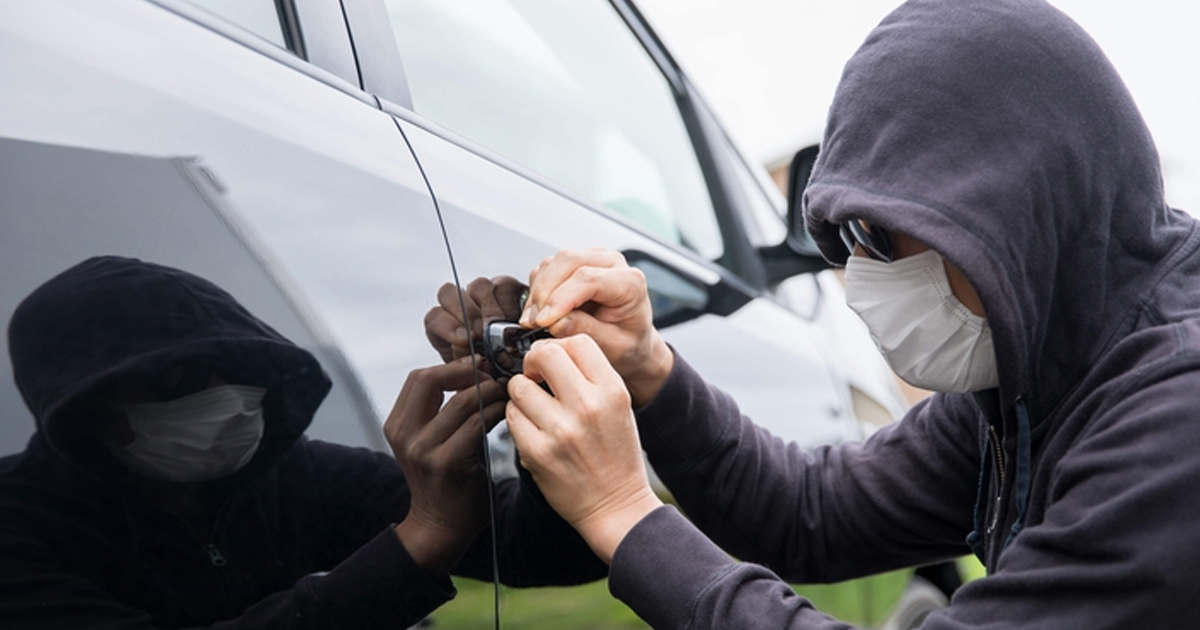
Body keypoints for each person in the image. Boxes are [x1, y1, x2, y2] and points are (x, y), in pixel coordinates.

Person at [430, 0, 1200, 627]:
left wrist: (624, 515)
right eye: (843, 243)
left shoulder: (1174, 421)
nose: (859, 279)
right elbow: (810, 513)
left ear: (1013, 211)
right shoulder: (1042, 378)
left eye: (878, 235)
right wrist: (648, 371)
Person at [0, 256, 604, 629]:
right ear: (85, 412)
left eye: (242, 371)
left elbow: (550, 552)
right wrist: (423, 538)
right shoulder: (20, 523)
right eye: (175, 380)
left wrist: (538, 386)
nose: (228, 399)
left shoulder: (301, 478)